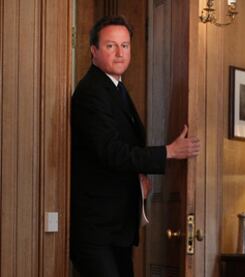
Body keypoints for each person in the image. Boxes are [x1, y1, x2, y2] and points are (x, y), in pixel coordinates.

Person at [70, 15, 200, 277]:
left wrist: (138, 178)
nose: (120, 53)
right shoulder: (92, 91)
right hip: (96, 230)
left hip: (116, 228)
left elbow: (116, 151)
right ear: (93, 50)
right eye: (111, 46)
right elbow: (112, 152)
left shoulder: (116, 87)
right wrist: (169, 151)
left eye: (125, 45)